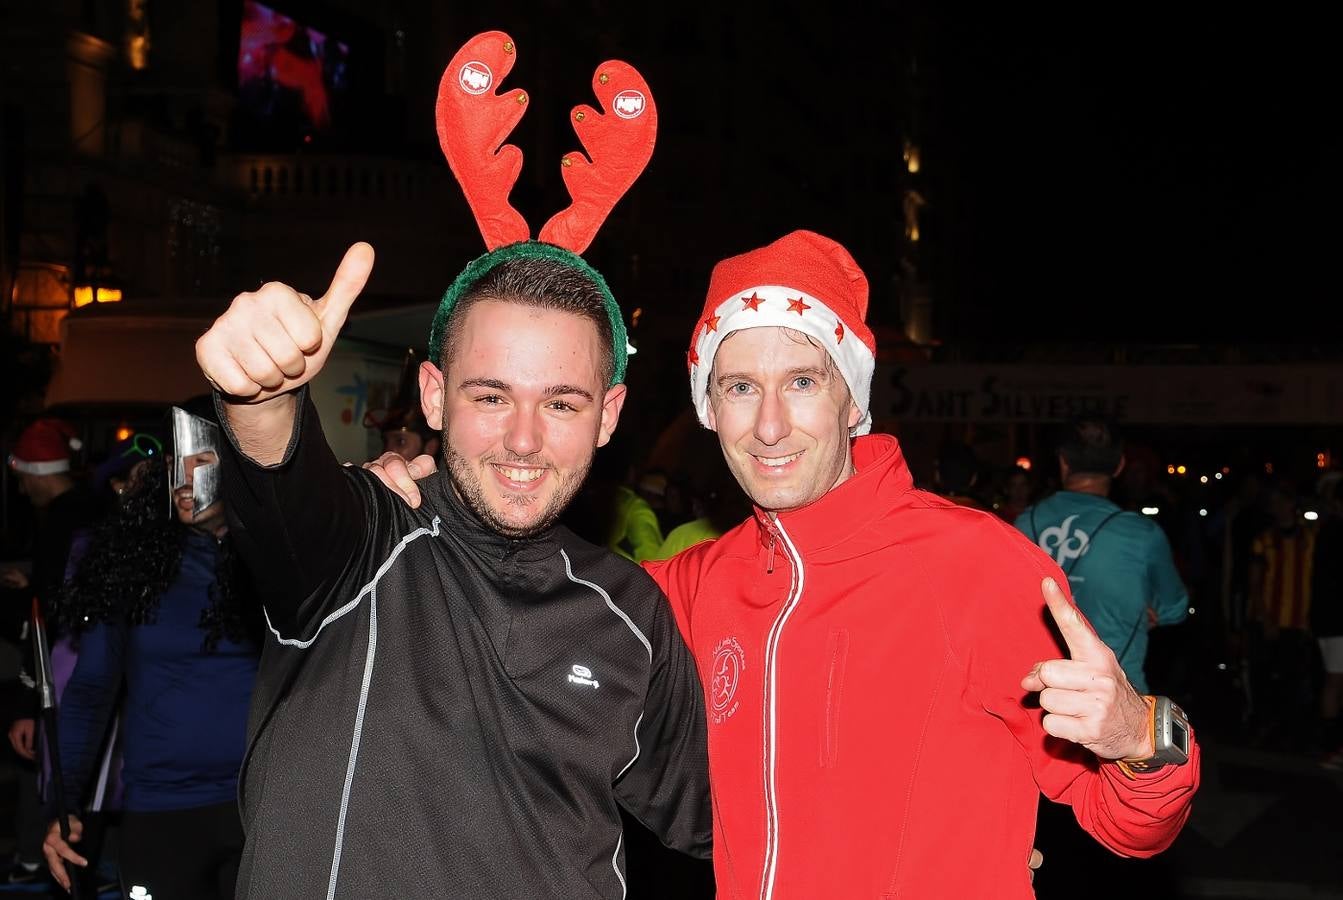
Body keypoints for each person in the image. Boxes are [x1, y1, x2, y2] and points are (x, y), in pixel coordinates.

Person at [373, 230, 1201, 898]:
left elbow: (1129, 825)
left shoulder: (974, 562)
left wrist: (1139, 734)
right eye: (737, 388)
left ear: (851, 400)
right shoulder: (685, 588)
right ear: (708, 408)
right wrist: (419, 494)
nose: (769, 425)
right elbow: (528, 600)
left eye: (801, 381)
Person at [185, 30, 708, 899]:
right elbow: (282, 487)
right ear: (432, 397)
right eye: (491, 395)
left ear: (609, 415)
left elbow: (728, 822)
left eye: (563, 403)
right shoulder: (357, 543)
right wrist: (259, 393)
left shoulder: (633, 615)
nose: (525, 441)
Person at [41, 403, 261, 898]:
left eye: (201, 461)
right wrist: (65, 803)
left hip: (262, 813)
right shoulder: (136, 565)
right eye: (175, 461)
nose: (185, 478)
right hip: (162, 812)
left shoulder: (279, 568)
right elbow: (91, 690)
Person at [1015, 417, 1190, 693]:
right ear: (1120, 466)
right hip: (1114, 696)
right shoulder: (1142, 533)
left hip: (1039, 692)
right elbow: (1176, 607)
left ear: (1063, 462)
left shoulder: (1024, 524)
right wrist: (1154, 611)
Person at [2, 416, 100, 887]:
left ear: (39, 474)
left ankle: (40, 861)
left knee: (52, 770)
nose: (22, 489)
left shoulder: (62, 520)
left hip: (64, 672)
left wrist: (25, 705)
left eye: (23, 478)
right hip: (87, 667)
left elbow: (49, 616)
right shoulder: (89, 511)